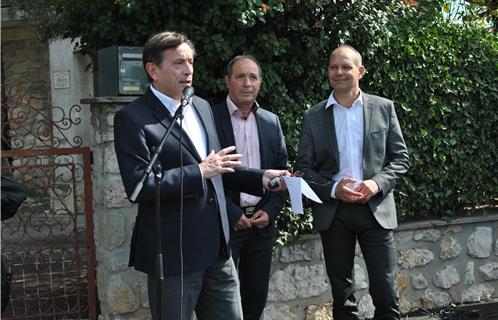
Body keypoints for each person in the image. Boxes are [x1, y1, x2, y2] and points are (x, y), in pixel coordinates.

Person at [113, 31, 287, 320]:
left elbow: (219, 168)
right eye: (179, 63)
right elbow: (139, 186)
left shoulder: (201, 106)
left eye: (191, 62)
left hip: (218, 249)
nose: (189, 70)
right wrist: (199, 171)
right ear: (153, 70)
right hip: (172, 254)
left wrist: (261, 177)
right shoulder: (133, 118)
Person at [295, 45, 410, 320]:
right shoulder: (313, 116)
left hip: (375, 209)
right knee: (342, 296)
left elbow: (401, 159)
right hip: (334, 212)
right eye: (333, 67)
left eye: (345, 67)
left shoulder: (383, 108)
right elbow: (303, 168)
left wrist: (376, 183)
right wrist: (334, 189)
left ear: (360, 71)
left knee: (386, 290)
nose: (339, 72)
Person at [211, 55, 288, 320]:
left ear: (260, 83)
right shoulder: (210, 118)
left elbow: (281, 171)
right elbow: (209, 173)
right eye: (240, 76)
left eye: (253, 77)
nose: (247, 83)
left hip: (261, 225)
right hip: (225, 224)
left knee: (256, 298)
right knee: (222, 301)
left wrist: (272, 209)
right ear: (227, 81)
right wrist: (231, 213)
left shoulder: (270, 121)